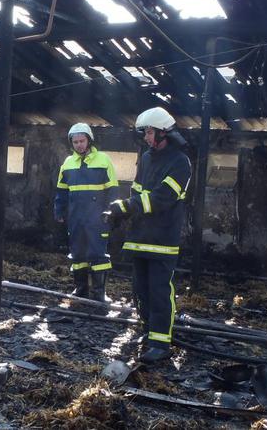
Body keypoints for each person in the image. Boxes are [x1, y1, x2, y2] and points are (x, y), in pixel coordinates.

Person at [103, 107, 191, 364]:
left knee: (159, 291)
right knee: (140, 289)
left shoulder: (180, 162)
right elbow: (137, 193)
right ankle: (148, 331)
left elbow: (163, 199)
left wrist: (129, 207)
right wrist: (119, 213)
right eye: (145, 132)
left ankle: (160, 343)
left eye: (149, 132)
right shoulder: (147, 158)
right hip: (140, 236)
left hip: (163, 240)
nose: (146, 137)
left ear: (164, 132)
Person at [54, 123, 119, 302]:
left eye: (82, 141)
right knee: (77, 254)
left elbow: (113, 190)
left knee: (98, 254)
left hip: (98, 217)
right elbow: (61, 191)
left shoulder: (104, 160)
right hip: (76, 217)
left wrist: (112, 212)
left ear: (89, 140)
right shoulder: (67, 164)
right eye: (75, 142)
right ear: (71, 143)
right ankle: (81, 289)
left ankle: (99, 293)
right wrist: (59, 211)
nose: (79, 145)